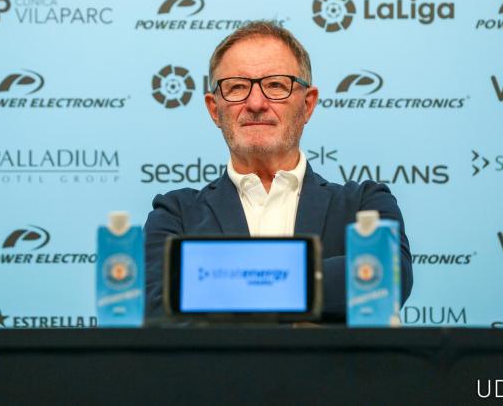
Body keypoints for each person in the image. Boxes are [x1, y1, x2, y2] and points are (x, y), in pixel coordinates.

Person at [144, 20, 412, 322]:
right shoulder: (176, 214)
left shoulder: (363, 204)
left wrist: (215, 281)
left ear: (308, 104)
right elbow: (157, 308)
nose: (256, 103)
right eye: (237, 87)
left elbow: (387, 278)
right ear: (214, 109)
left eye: (275, 85)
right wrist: (306, 298)